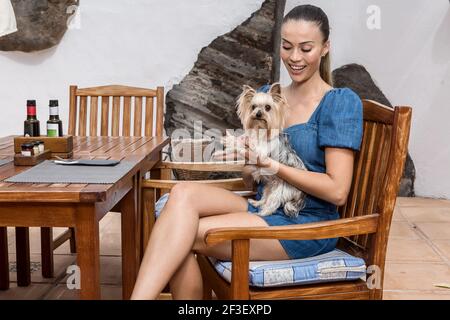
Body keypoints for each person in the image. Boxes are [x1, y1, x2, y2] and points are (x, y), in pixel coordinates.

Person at [131, 4, 363, 300]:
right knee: (182, 194)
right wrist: (248, 163)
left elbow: (338, 191)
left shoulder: (339, 102)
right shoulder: (269, 95)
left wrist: (270, 165)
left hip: (307, 224)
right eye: (287, 46)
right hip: (264, 205)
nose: (294, 58)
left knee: (181, 235)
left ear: (325, 47)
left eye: (306, 48)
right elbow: (253, 183)